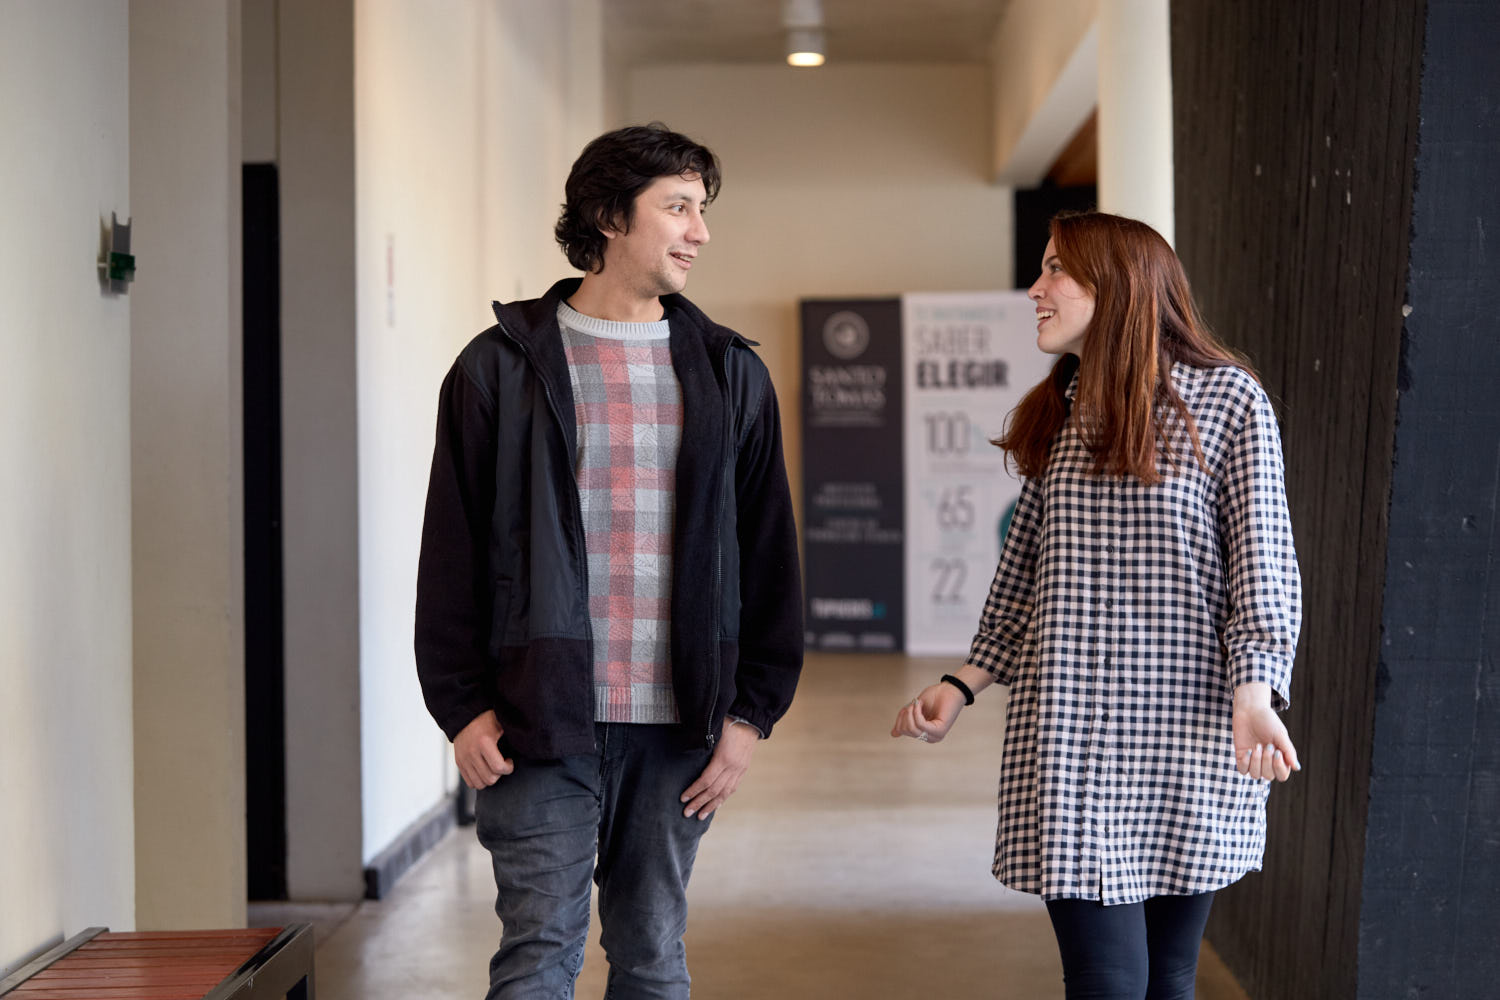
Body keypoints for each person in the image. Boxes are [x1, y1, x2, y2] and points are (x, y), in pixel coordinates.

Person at [415, 123, 803, 1000]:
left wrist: (749, 718)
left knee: (653, 959)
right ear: (606, 216)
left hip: (679, 732)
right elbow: (452, 553)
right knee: (535, 961)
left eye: (702, 210)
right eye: (677, 207)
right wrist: (461, 707)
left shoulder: (729, 374)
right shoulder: (498, 370)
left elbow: (770, 557)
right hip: (533, 724)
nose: (699, 230)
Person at [891, 211, 1302, 1000]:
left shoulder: (1228, 403)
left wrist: (1254, 692)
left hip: (1189, 737)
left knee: (1170, 980)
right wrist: (963, 683)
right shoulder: (1062, 411)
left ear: (1114, 287)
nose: (1036, 289)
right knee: (1107, 979)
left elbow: (1265, 565)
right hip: (1071, 739)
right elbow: (1023, 575)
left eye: (1055, 271)